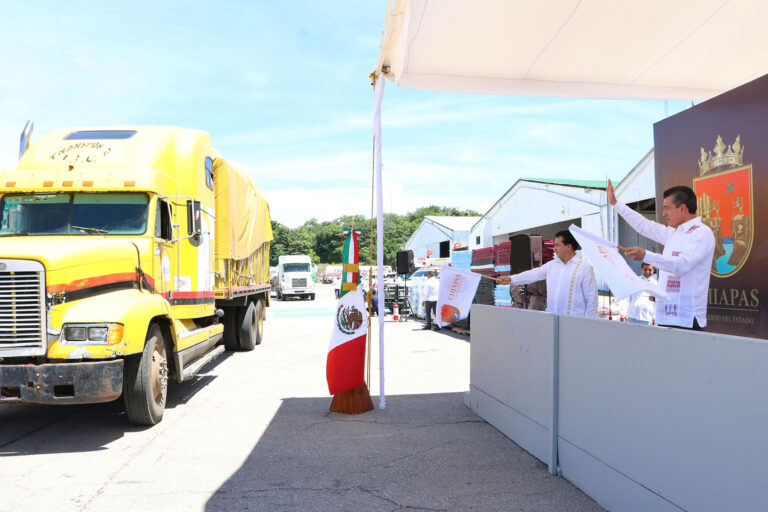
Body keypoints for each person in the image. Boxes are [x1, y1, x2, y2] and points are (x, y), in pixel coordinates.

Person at [607, 180, 715, 330]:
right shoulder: (673, 233)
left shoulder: (702, 233)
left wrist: (646, 255)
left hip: (687, 319)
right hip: (665, 316)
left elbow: (681, 265)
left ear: (682, 208)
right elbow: (643, 225)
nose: (663, 214)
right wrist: (616, 204)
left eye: (667, 208)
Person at [498, 231, 598, 317]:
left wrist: (588, 324)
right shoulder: (551, 266)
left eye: (557, 245)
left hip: (575, 324)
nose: (554, 248)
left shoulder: (584, 268)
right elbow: (532, 274)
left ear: (569, 247)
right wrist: (510, 279)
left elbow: (592, 300)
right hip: (553, 321)